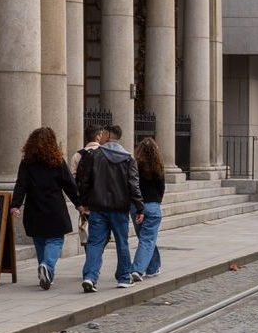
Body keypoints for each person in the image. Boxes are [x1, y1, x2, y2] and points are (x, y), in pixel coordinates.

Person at [76, 124, 144, 291]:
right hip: (120, 209)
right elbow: (134, 185)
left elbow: (84, 181)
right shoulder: (129, 158)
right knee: (122, 243)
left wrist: (84, 202)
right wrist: (139, 207)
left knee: (95, 243)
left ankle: (90, 277)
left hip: (98, 207)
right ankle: (123, 277)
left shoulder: (93, 155)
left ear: (106, 135)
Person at [12, 127, 80, 290]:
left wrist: (15, 205)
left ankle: (46, 272)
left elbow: (21, 185)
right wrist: (79, 203)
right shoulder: (57, 161)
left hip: (34, 207)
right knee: (55, 239)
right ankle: (47, 267)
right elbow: (69, 185)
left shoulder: (26, 163)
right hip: (54, 207)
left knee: (40, 240)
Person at [130, 137, 166, 281]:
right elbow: (161, 187)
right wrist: (157, 201)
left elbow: (132, 185)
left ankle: (153, 267)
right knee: (147, 239)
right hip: (152, 205)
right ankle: (137, 269)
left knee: (145, 238)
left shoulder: (134, 165)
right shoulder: (158, 167)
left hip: (136, 206)